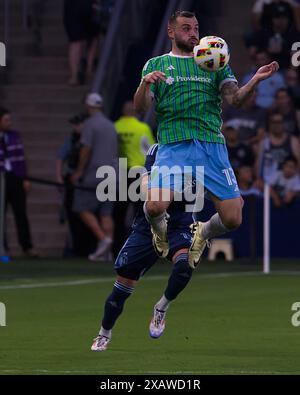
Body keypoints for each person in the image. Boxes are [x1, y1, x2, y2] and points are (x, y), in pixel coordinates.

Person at [133, 10, 279, 269]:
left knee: (233, 218)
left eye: (196, 28)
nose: (193, 34)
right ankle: (159, 231)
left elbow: (235, 99)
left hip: (210, 146)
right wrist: (145, 84)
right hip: (173, 146)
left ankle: (201, 232)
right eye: (186, 28)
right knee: (155, 206)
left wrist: (255, 80)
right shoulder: (155, 64)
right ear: (171, 32)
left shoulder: (214, 61)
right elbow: (141, 108)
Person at [91, 144, 194, 351]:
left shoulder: (199, 149)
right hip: (148, 227)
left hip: (178, 225)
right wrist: (156, 196)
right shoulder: (157, 150)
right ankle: (104, 333)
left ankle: (161, 307)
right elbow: (145, 180)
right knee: (121, 288)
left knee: (185, 266)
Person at [71, 93, 118, 261]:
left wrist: (79, 171)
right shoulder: (111, 125)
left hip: (96, 172)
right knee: (106, 213)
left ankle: (103, 239)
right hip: (112, 172)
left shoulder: (90, 125)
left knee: (81, 208)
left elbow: (86, 149)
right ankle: (107, 250)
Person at [112, 100, 155, 256]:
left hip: (122, 172)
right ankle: (143, 246)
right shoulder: (142, 128)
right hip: (139, 174)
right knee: (142, 212)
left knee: (119, 213)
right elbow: (151, 149)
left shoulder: (115, 127)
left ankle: (117, 247)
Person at [0, 107, 37, 257]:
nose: (9, 122)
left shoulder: (14, 136)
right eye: (6, 119)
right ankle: (2, 247)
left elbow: (22, 157)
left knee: (20, 213)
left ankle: (26, 246)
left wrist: (25, 177)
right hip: (1, 178)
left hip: (15, 177)